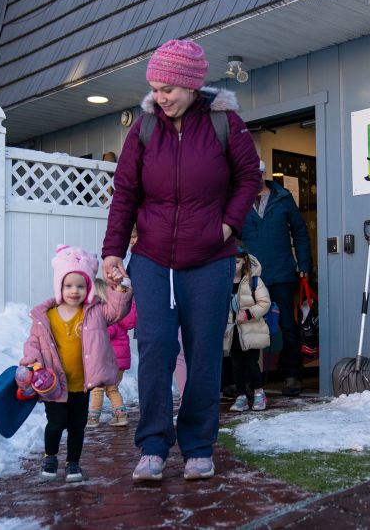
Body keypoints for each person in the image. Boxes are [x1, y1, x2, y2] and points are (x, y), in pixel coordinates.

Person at [101, 39, 260, 481]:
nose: (160, 97)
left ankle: (198, 446)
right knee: (155, 347)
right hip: (153, 259)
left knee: (203, 351)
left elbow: (250, 177)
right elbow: (125, 193)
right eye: (155, 88)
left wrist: (227, 226)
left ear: (191, 85)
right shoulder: (144, 129)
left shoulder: (226, 124)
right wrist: (113, 249)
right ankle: (153, 445)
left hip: (209, 258)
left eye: (168, 88)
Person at [21, 245, 131, 483]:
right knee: (56, 422)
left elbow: (117, 310)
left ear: (89, 288)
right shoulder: (47, 316)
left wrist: (119, 286)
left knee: (77, 425)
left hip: (81, 384)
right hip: (53, 384)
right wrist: (32, 361)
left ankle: (73, 462)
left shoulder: (94, 313)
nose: (74, 291)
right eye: (68, 285)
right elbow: (33, 342)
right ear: (59, 286)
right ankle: (50, 456)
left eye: (81, 286)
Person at [240, 160, 312, 396]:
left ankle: (293, 376)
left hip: (282, 272)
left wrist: (304, 264)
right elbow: (232, 235)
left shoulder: (283, 198)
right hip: (253, 276)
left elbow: (300, 231)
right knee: (250, 326)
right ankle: (249, 381)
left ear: (263, 174)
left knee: (288, 326)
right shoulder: (239, 201)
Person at [225, 248, 271, 412]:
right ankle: (241, 396)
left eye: (237, 262)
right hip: (232, 332)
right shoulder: (224, 281)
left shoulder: (254, 281)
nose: (233, 265)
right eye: (230, 261)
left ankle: (259, 393)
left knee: (252, 363)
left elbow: (265, 303)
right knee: (236, 365)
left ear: (244, 260)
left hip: (252, 330)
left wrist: (248, 313)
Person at [87, 299, 136, 427]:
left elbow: (108, 332)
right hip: (119, 362)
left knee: (97, 388)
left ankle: (93, 418)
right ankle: (121, 415)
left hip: (107, 361)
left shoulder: (111, 319)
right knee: (112, 389)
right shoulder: (120, 316)